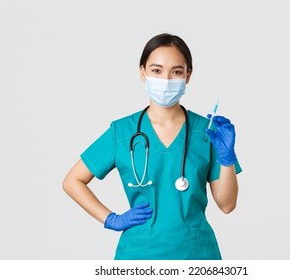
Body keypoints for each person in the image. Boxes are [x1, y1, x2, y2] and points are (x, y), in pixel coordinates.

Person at [62, 33, 242, 260]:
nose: (166, 80)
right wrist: (111, 219)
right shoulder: (122, 132)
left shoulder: (206, 132)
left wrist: (227, 160)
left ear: (188, 75)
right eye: (156, 70)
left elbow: (227, 205)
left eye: (176, 71)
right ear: (142, 72)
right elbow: (72, 181)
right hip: (139, 255)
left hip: (196, 255)